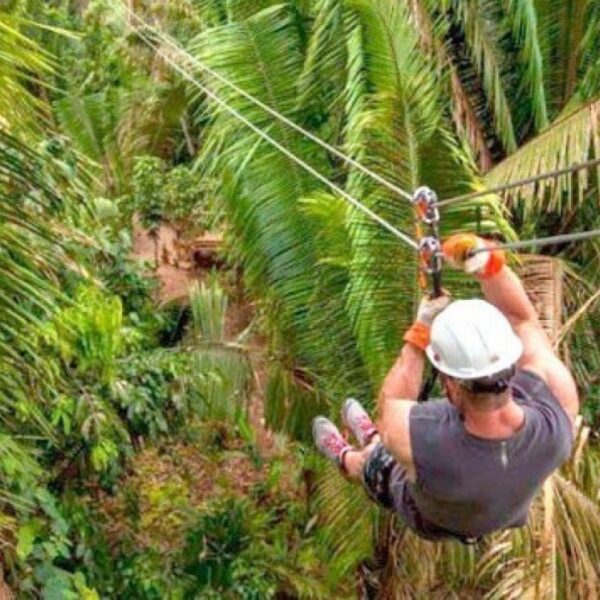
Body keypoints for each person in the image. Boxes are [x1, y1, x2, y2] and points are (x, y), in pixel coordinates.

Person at [312, 233, 578, 543]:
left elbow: (391, 405)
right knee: (392, 446)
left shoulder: (425, 438)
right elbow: (523, 320)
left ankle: (348, 456)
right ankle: (368, 441)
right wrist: (490, 264)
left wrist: (421, 329)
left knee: (376, 462)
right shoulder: (557, 405)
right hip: (498, 512)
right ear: (511, 359)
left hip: (428, 516)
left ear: (449, 386)